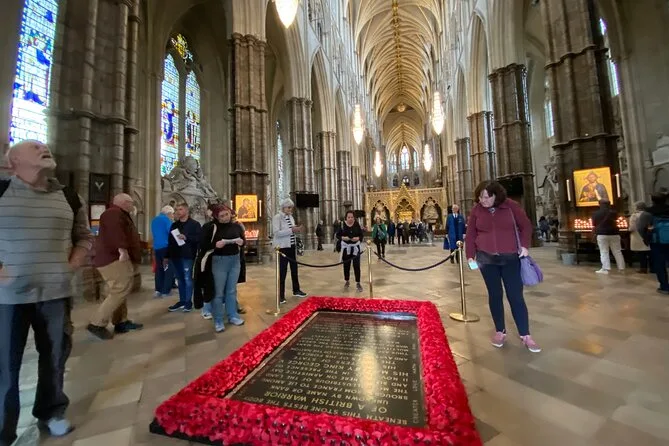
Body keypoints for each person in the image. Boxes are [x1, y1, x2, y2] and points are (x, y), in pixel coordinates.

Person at [0, 140, 93, 444]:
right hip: (7, 298)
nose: (44, 147)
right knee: (5, 364)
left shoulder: (69, 196)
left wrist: (73, 263)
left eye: (44, 145)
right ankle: (3, 428)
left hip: (55, 292)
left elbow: (83, 236)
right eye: (34, 146)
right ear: (14, 162)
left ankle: (51, 411)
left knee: (54, 357)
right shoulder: (2, 192)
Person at [466, 181, 541, 353]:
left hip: (510, 258)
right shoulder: (477, 210)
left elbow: (526, 226)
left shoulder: (511, 206)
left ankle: (525, 334)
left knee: (515, 296)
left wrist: (525, 246)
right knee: (495, 295)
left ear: (496, 195)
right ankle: (500, 331)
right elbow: (471, 235)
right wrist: (470, 256)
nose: (483, 200)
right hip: (486, 259)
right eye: (480, 197)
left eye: (486, 197)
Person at [89, 193, 144, 340]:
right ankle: (97, 323)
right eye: (131, 203)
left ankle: (120, 321)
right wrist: (122, 250)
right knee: (120, 289)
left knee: (120, 289)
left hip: (114, 257)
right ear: (124, 202)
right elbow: (115, 233)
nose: (132, 205)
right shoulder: (113, 213)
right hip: (114, 258)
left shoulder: (119, 214)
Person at [199, 205, 245, 332]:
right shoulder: (212, 227)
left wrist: (242, 242)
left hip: (234, 261)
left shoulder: (236, 226)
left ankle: (233, 315)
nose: (225, 218)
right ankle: (218, 320)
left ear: (230, 213)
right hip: (219, 261)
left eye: (226, 214)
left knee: (231, 291)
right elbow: (203, 245)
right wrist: (215, 245)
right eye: (221, 216)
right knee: (218, 292)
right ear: (216, 217)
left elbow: (243, 240)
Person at [165, 203, 202, 312]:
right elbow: (170, 241)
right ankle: (182, 301)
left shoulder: (195, 224)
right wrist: (166, 256)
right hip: (175, 255)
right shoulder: (174, 225)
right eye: (176, 210)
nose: (177, 211)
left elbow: (199, 239)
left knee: (187, 278)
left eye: (180, 209)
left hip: (188, 255)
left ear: (186, 210)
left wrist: (186, 237)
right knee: (180, 279)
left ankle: (188, 302)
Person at [272, 198, 308, 304]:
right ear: (283, 207)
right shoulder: (277, 217)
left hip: (291, 246)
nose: (290, 209)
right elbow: (276, 233)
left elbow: (291, 230)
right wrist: (291, 230)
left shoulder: (291, 217)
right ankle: (281, 295)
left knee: (294, 269)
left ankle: (296, 290)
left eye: (291, 208)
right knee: (282, 271)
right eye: (288, 207)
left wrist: (297, 229)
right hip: (283, 248)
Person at [637, 189, 669, 294]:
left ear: (652, 200)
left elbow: (640, 227)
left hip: (656, 241)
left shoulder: (647, 213)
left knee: (660, 264)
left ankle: (664, 286)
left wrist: (646, 238)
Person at [592, 199, 625, 274]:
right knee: (617, 251)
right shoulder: (614, 213)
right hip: (614, 233)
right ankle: (621, 268)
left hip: (602, 234)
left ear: (599, 204)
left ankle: (606, 269)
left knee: (604, 251)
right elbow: (616, 220)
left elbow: (594, 224)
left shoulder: (596, 213)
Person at [337, 210, 364, 292]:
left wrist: (358, 238)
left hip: (355, 248)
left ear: (354, 218)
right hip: (346, 248)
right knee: (346, 265)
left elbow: (361, 235)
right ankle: (347, 280)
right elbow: (337, 235)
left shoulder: (356, 224)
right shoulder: (342, 224)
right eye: (349, 217)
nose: (350, 219)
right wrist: (343, 238)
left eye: (352, 217)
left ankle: (358, 282)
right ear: (346, 217)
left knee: (356, 265)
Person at [151, 205, 175, 297]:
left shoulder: (154, 220)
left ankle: (158, 290)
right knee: (168, 269)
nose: (173, 216)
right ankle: (166, 291)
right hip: (166, 247)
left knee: (159, 269)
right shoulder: (166, 220)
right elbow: (172, 233)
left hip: (157, 247)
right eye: (172, 214)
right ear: (168, 213)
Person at [629, 202, 651, 274]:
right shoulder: (648, 214)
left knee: (641, 254)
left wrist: (628, 230)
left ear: (637, 207)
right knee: (648, 252)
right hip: (647, 235)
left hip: (637, 235)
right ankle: (651, 268)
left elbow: (632, 227)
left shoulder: (634, 215)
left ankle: (643, 269)